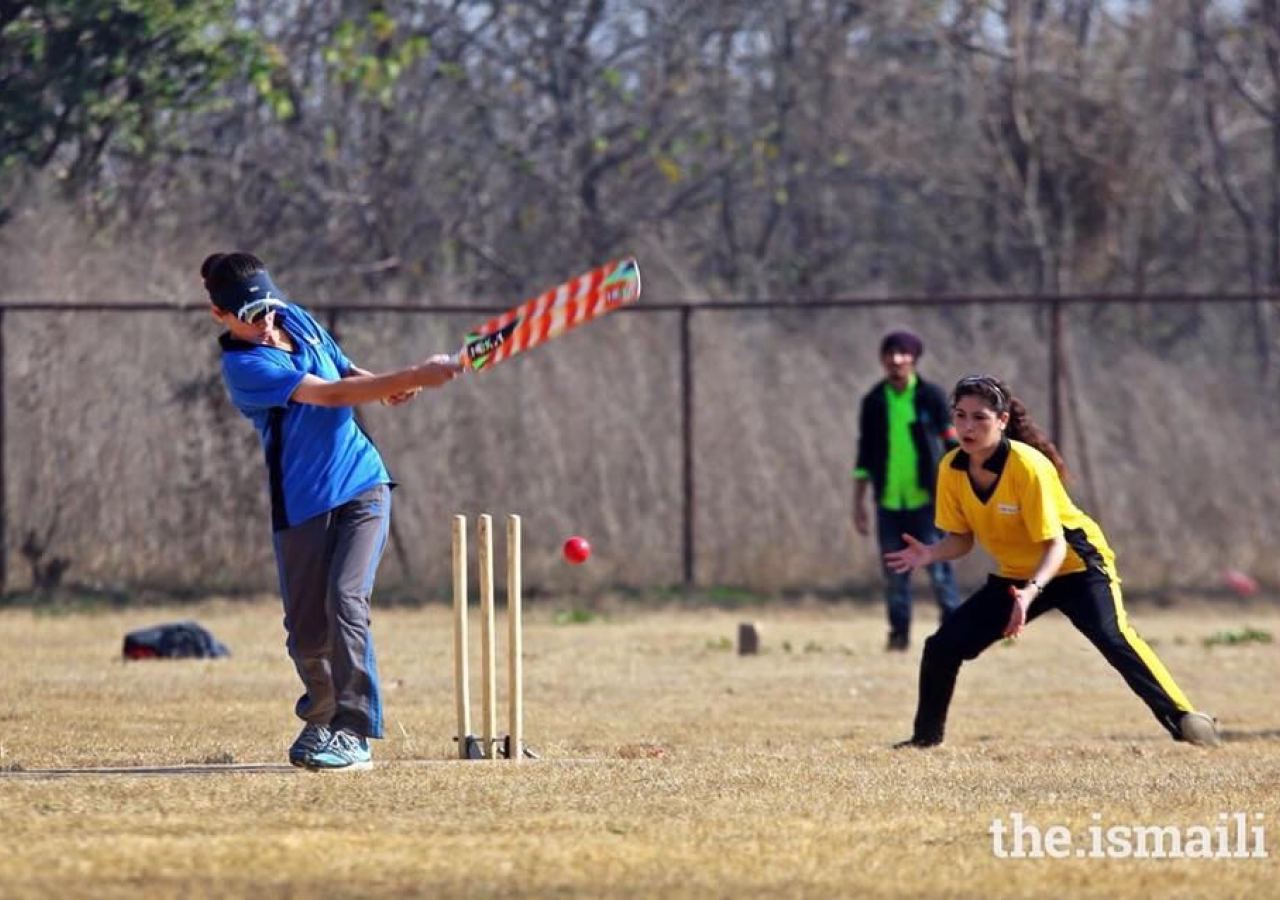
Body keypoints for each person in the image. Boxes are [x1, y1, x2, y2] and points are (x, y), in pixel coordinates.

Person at [201, 251, 464, 770]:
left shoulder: (295, 317)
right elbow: (332, 393)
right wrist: (408, 374)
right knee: (305, 635)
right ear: (221, 316)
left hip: (363, 485)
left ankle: (353, 731)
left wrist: (394, 385)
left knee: (347, 600)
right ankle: (322, 713)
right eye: (251, 316)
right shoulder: (244, 367)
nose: (267, 321)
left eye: (269, 308)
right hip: (302, 502)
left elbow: (344, 370)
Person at [885, 374, 1221, 748]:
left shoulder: (1028, 467)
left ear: (1002, 420)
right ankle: (924, 740)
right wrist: (931, 552)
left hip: (1077, 565)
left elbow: (1055, 546)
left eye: (979, 417)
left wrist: (1029, 596)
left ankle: (1184, 719)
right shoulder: (951, 468)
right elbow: (961, 539)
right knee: (942, 647)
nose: (967, 426)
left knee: (1113, 638)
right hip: (1018, 574)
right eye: (960, 415)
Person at [853, 330, 959, 651]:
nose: (895, 360)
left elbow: (952, 444)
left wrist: (957, 491)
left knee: (939, 571)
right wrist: (858, 502)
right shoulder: (873, 401)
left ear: (913, 358)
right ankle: (898, 637)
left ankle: (953, 634)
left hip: (927, 501)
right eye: (890, 353)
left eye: (902, 353)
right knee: (895, 575)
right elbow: (865, 454)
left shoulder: (931, 397)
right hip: (888, 502)